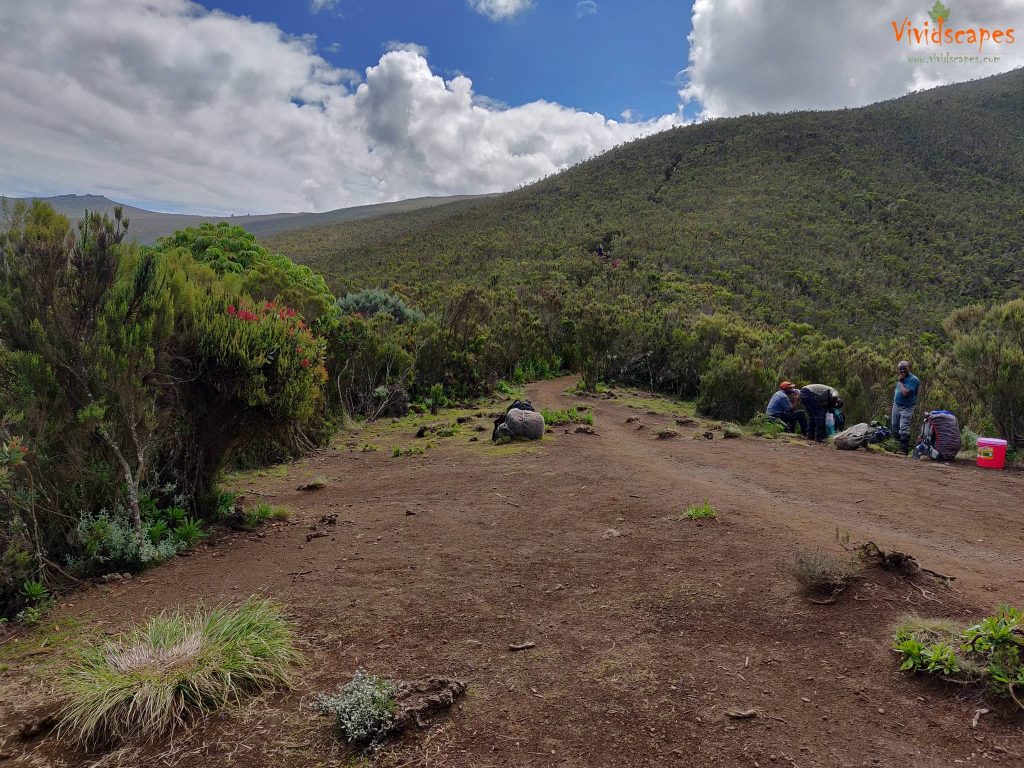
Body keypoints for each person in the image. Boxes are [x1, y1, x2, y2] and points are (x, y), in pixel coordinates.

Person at [892, 360, 921, 455]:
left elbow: (905, 393)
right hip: (897, 405)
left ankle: (904, 450)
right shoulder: (902, 377)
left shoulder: (914, 379)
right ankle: (895, 446)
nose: (902, 371)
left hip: (907, 407)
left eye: (905, 368)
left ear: (909, 368)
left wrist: (900, 381)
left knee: (903, 427)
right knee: (894, 426)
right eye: (900, 369)